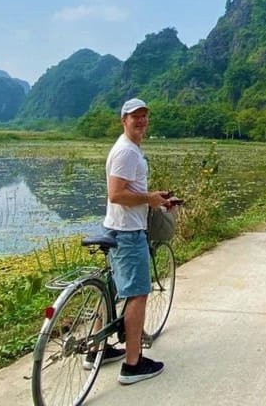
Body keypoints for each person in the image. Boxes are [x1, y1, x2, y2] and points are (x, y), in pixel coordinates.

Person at [98, 98, 169, 384]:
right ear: (123, 120)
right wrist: (148, 199)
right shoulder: (126, 152)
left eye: (144, 116)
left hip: (118, 227)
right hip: (128, 233)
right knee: (138, 293)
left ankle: (97, 349)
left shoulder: (129, 148)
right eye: (134, 116)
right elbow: (115, 194)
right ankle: (132, 363)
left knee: (113, 289)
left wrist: (155, 200)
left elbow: (129, 191)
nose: (140, 121)